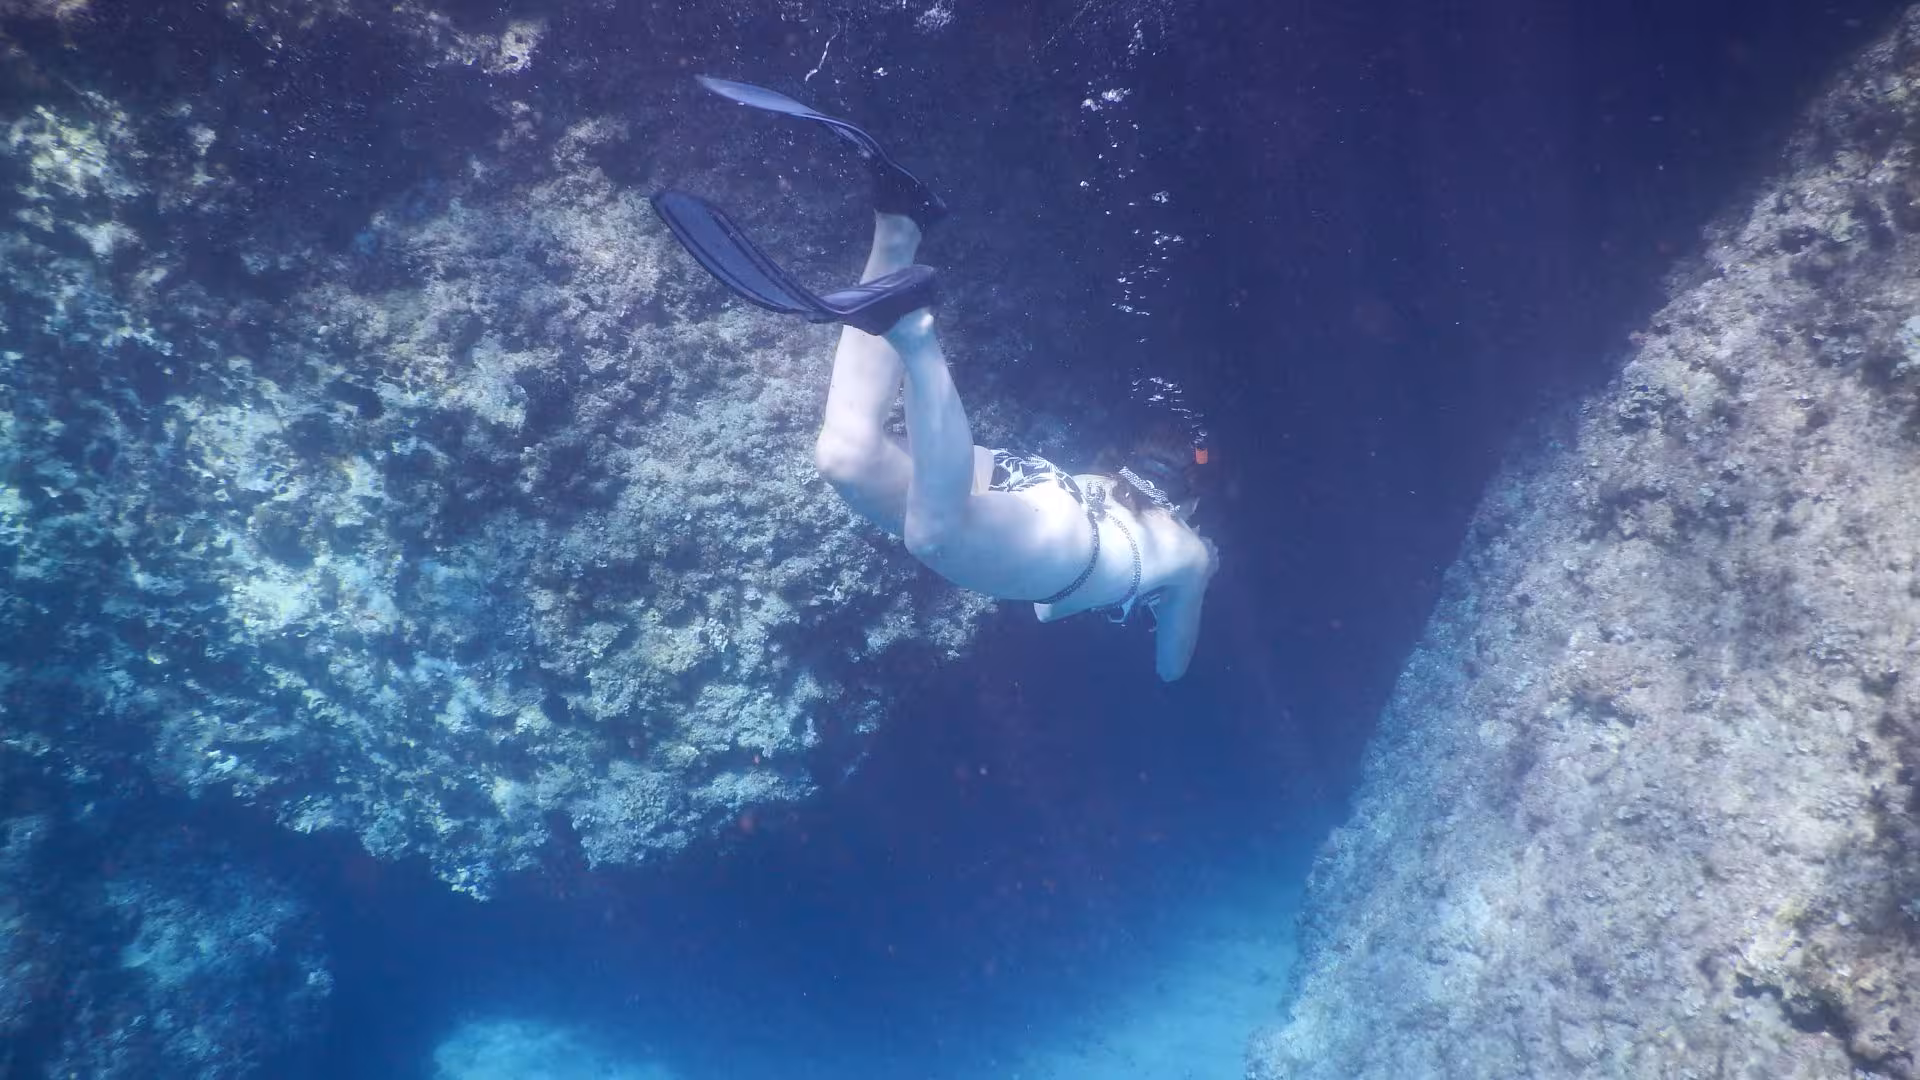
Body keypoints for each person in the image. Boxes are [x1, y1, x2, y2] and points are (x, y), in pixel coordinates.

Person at [651, 78, 1219, 681]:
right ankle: (915, 335)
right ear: (1191, 501)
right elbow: (1170, 668)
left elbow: (1047, 606)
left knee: (847, 454)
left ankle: (900, 224)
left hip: (1040, 488)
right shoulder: (1190, 553)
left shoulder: (1114, 486)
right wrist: (1192, 581)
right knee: (934, 536)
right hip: (1068, 542)